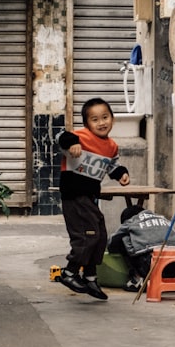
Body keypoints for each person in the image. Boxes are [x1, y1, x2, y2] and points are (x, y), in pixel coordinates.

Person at [57, 98, 130, 300]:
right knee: (88, 235)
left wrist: (121, 174)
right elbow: (60, 137)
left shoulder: (111, 146)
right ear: (87, 123)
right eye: (95, 119)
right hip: (74, 196)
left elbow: (112, 166)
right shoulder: (79, 137)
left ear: (112, 119)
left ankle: (90, 276)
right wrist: (71, 144)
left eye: (105, 117)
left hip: (90, 197)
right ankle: (70, 272)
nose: (101, 123)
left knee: (99, 236)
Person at [108, 205, 175, 292]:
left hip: (150, 266)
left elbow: (111, 241)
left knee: (123, 238)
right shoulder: (163, 219)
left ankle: (137, 280)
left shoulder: (132, 220)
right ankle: (172, 277)